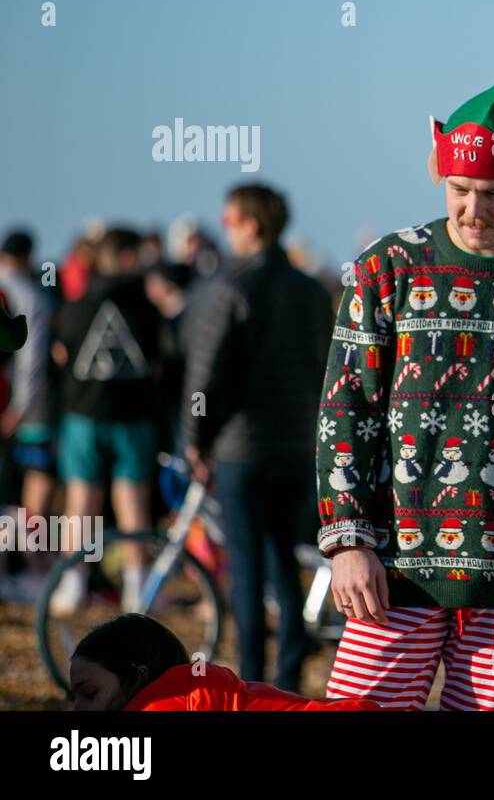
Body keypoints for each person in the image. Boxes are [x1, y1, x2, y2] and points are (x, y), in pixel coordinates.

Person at [318, 27, 494, 710]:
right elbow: (345, 408)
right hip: (393, 561)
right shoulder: (386, 269)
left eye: (492, 193)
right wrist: (346, 539)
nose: (474, 208)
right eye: (461, 189)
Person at [182, 184, 332, 692]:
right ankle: (287, 679)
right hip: (295, 446)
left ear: (249, 223)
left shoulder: (232, 286)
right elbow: (325, 368)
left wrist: (194, 438)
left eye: (228, 219)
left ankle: (249, 681)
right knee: (284, 564)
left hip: (241, 447)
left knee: (245, 568)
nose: (223, 226)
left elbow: (206, 375)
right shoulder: (311, 289)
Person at [49, 228, 160, 614]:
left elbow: (60, 353)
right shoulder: (147, 308)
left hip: (83, 415)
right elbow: (163, 358)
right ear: (128, 257)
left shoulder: (76, 305)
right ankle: (139, 589)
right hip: (134, 417)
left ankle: (72, 584)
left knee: (81, 501)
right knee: (132, 501)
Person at [70, 614, 381, 711]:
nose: (78, 709)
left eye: (91, 692)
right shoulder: (188, 693)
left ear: (137, 675)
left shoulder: (165, 704)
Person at [0, 230, 59, 595]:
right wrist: (19, 407)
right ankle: (38, 573)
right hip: (27, 413)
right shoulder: (32, 295)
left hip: (16, 407)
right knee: (26, 496)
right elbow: (32, 359)